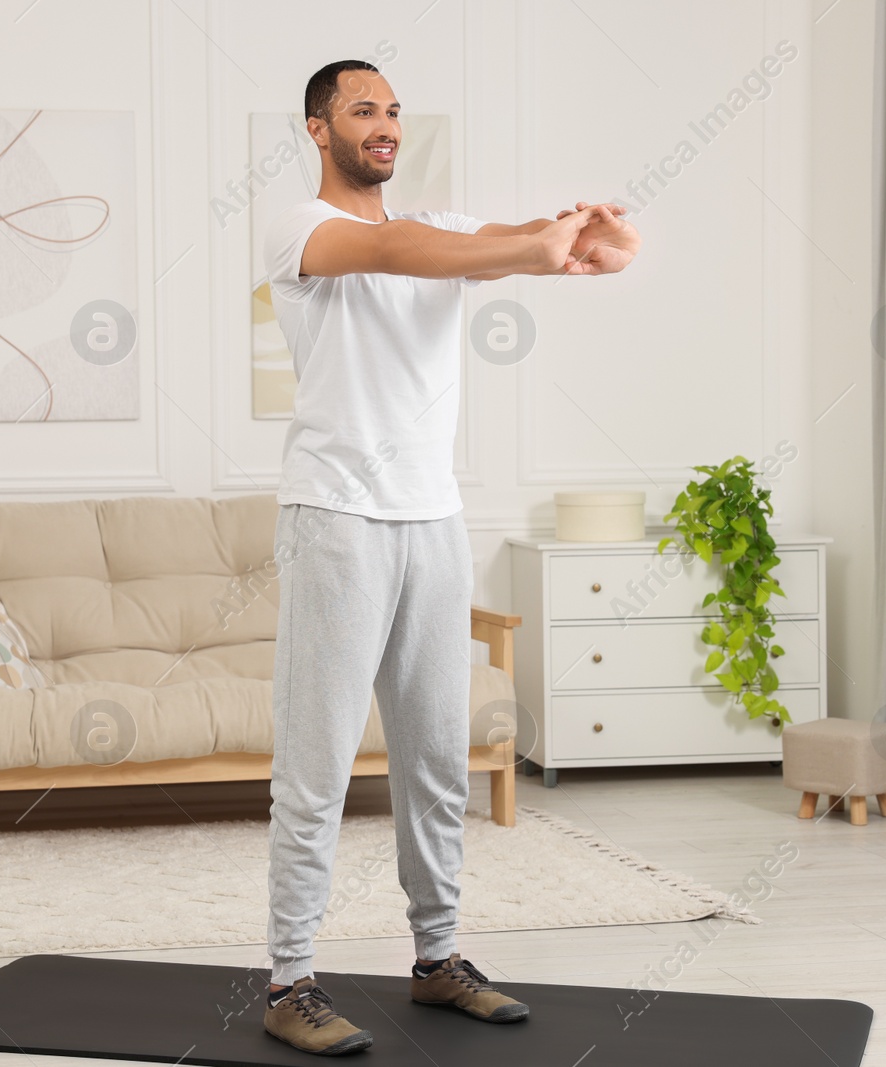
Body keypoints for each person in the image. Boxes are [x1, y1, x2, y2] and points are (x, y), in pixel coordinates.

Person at [259, 57, 642, 1055]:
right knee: (317, 767)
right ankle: (289, 975)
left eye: (392, 109)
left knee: (436, 758)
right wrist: (526, 245)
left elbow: (535, 250)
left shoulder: (449, 228)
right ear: (317, 128)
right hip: (334, 516)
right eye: (361, 110)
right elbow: (399, 250)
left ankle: (436, 958)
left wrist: (579, 237)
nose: (384, 124)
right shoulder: (300, 228)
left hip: (432, 520)